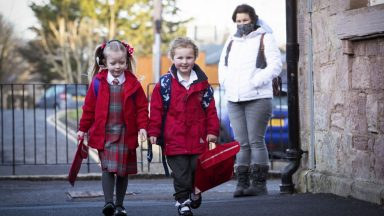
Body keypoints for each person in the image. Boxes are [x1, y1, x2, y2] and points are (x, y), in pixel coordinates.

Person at [148, 37, 220, 216]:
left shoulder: (203, 84)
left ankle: (196, 191)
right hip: (174, 138)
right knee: (180, 174)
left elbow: (210, 109)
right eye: (179, 58)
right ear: (172, 58)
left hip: (198, 137)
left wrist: (212, 131)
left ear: (195, 57)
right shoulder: (164, 84)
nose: (184, 62)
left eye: (188, 57)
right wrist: (153, 132)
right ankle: (182, 202)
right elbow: (156, 110)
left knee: (197, 170)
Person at [77, 40, 148, 216]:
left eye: (122, 62)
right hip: (105, 133)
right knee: (107, 168)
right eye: (113, 63)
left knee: (122, 171)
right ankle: (108, 203)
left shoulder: (134, 83)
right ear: (105, 62)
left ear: (127, 61)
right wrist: (82, 128)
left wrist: (143, 127)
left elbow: (141, 108)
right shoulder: (97, 82)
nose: (118, 66)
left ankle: (120, 205)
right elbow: (88, 109)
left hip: (126, 133)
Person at [218, 4, 282, 198]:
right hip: (234, 98)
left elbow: (275, 66)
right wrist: (226, 83)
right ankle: (242, 184)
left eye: (245, 20)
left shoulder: (265, 37)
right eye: (238, 21)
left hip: (258, 97)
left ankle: (259, 185)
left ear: (253, 20)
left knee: (256, 141)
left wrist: (255, 82)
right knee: (241, 143)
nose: (242, 24)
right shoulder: (231, 40)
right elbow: (223, 65)